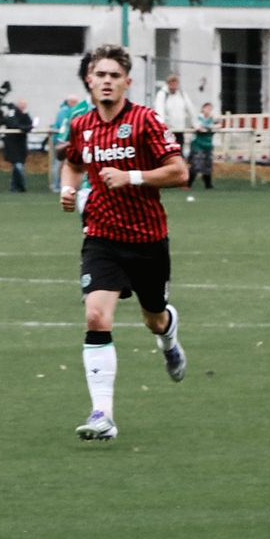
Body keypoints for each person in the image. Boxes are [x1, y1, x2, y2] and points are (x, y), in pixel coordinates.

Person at [60, 43, 189, 442]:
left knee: (154, 318)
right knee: (96, 316)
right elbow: (73, 162)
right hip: (101, 236)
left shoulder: (146, 120)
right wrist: (67, 188)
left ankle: (168, 336)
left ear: (127, 83)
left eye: (115, 76)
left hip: (148, 239)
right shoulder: (81, 124)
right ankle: (103, 414)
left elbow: (179, 172)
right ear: (89, 80)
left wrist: (131, 177)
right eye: (100, 75)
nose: (107, 82)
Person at [48, 94, 86, 192]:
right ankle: (56, 185)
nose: (75, 104)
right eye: (74, 102)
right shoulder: (65, 111)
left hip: (69, 141)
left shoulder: (72, 110)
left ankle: (66, 184)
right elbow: (64, 126)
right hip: (60, 141)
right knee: (57, 164)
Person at [3, 97, 33, 193]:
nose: (23, 106)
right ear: (17, 104)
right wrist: (27, 127)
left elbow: (30, 124)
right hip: (12, 144)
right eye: (21, 104)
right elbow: (14, 125)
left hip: (21, 144)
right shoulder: (12, 113)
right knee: (18, 166)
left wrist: (26, 116)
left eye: (25, 104)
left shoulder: (24, 114)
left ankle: (14, 187)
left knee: (18, 167)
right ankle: (22, 186)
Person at [156, 72, 193, 146]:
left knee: (179, 150)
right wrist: (162, 127)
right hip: (168, 130)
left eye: (175, 84)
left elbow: (190, 108)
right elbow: (159, 111)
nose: (174, 86)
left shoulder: (182, 95)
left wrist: (195, 123)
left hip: (180, 130)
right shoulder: (162, 95)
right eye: (172, 84)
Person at [188, 103, 217, 189]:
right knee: (196, 165)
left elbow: (219, 125)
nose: (208, 111)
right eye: (207, 108)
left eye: (210, 109)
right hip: (198, 145)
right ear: (202, 109)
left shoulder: (212, 119)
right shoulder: (198, 118)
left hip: (208, 145)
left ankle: (208, 185)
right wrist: (206, 127)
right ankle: (188, 184)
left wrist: (212, 123)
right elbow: (196, 126)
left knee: (208, 166)